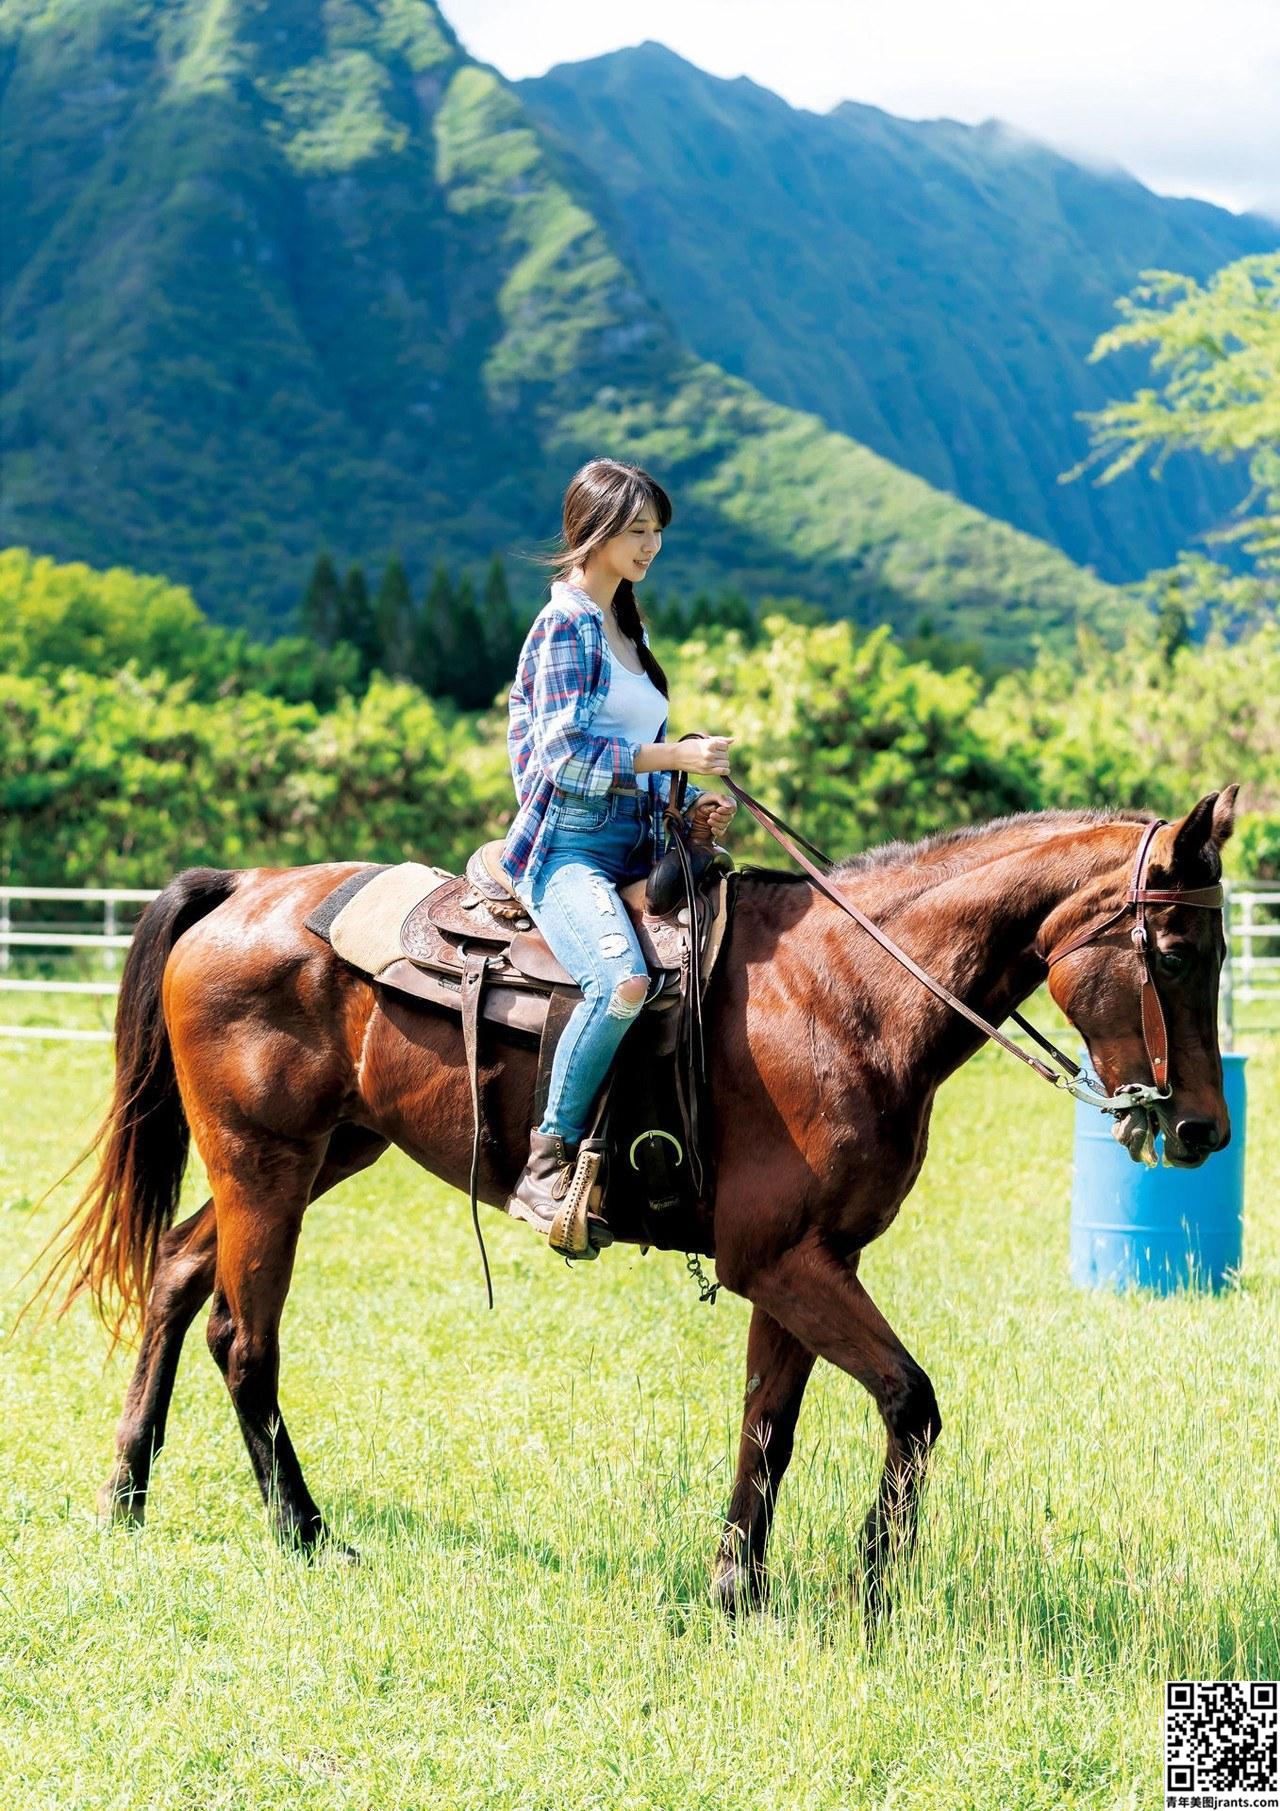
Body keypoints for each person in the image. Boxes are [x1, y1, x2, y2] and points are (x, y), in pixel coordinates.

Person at [499, 458, 737, 1241]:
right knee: (623, 980)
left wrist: (684, 802)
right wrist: (675, 760)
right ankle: (546, 1161)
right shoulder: (564, 624)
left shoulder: (623, 626)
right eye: (637, 529)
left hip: (636, 841)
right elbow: (565, 758)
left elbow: (635, 747)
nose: (651, 545)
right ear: (593, 530)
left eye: (657, 530)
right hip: (567, 850)